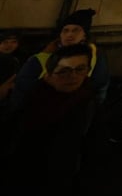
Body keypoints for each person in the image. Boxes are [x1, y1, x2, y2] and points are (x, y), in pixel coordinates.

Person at [1, 43, 99, 194]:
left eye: (80, 69)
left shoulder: (88, 102)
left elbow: (94, 151)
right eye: (64, 71)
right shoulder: (31, 96)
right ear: (49, 74)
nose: (73, 76)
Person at [11, 8, 110, 110]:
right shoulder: (41, 58)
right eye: (65, 31)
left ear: (84, 35)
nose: (69, 35)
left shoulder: (96, 56)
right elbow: (22, 89)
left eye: (75, 30)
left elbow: (100, 86)